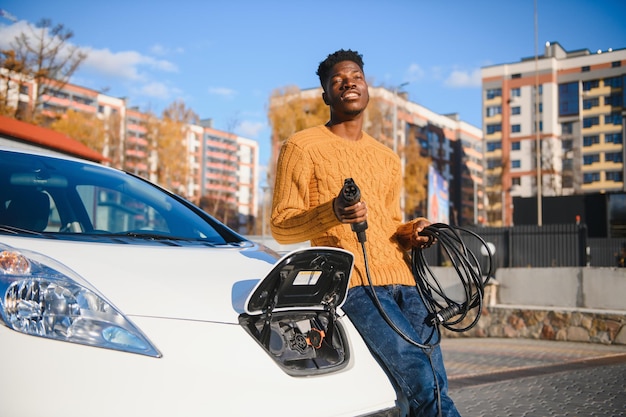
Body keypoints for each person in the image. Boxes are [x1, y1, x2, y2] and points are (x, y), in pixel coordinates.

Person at [271, 49, 461, 417]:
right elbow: (281, 223)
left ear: (366, 86)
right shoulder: (302, 146)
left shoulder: (387, 158)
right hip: (356, 284)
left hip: (407, 283)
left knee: (436, 381)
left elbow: (389, 224)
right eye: (338, 80)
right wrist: (333, 212)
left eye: (355, 76)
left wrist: (413, 231)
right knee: (421, 382)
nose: (349, 83)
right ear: (326, 95)